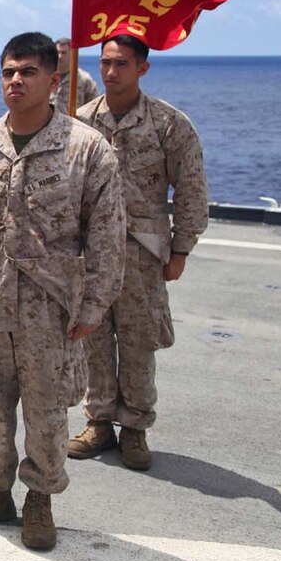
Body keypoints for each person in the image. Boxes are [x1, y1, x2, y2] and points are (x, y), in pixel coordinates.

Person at [0, 32, 126, 550]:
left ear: (54, 80)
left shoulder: (86, 149)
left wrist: (94, 305)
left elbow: (106, 237)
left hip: (51, 308)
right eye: (8, 72)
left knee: (46, 412)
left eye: (27, 72)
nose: (15, 80)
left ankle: (40, 498)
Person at [68, 34, 209, 470]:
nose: (111, 72)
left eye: (122, 64)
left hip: (142, 252)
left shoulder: (168, 124)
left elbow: (190, 188)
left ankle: (134, 427)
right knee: (91, 337)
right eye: (105, 62)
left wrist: (181, 248)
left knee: (137, 341)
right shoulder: (79, 121)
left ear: (142, 68)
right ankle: (99, 420)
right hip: (90, 252)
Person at [53, 37, 99, 113]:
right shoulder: (47, 78)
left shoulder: (84, 79)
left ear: (71, 53)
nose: (60, 56)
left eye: (63, 53)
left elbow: (95, 107)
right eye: (58, 52)